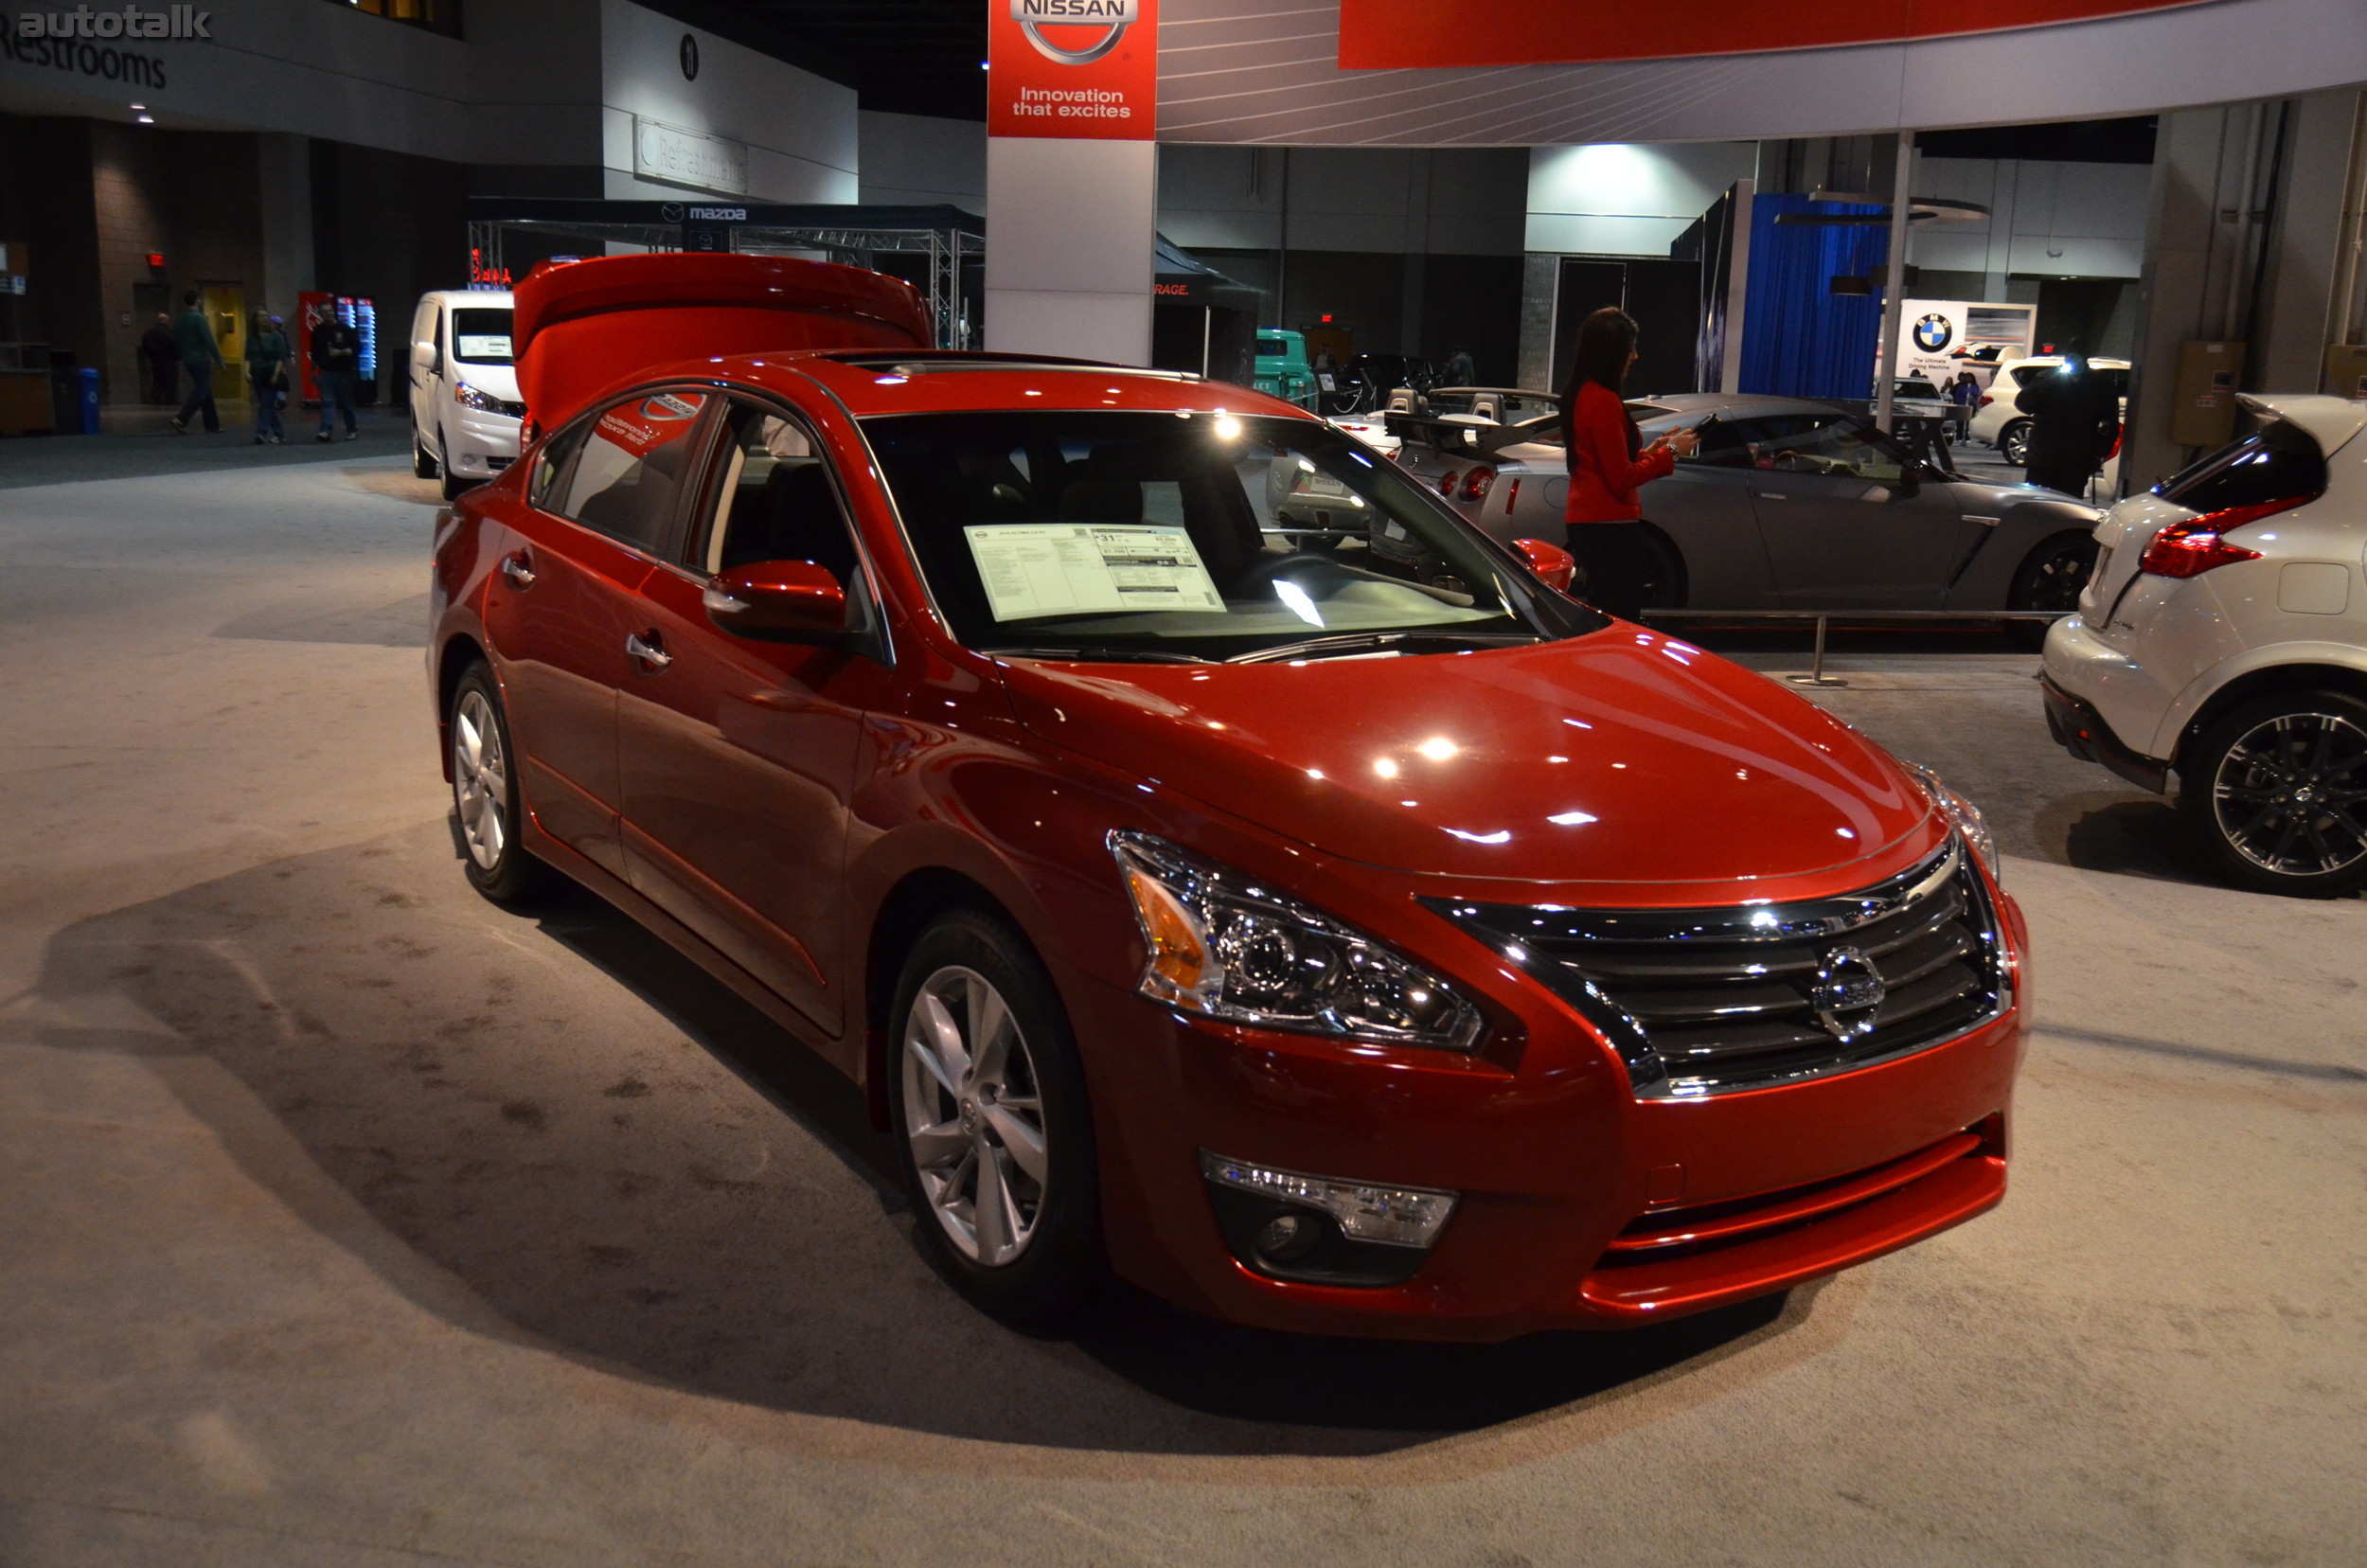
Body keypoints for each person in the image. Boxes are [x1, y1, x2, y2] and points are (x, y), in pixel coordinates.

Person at [1558, 307, 1698, 619]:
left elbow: (1610, 463)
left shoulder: (1582, 393)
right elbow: (1621, 477)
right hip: (1609, 525)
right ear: (1613, 352)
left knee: (1604, 611)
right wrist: (1671, 454)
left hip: (1592, 522)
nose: (1635, 356)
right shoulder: (1603, 400)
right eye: (1630, 348)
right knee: (1621, 615)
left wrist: (1657, 451)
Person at [2023, 352, 2118, 497]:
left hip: (2076, 461)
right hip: (2043, 458)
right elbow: (2024, 404)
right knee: (2036, 503)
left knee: (2067, 506)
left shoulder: (2099, 384)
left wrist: (2098, 455)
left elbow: (2111, 424)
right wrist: (2049, 382)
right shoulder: (2048, 378)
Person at [169, 290, 222, 435]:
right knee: (202, 389)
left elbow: (176, 340)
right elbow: (208, 340)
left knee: (205, 390)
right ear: (198, 300)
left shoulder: (180, 319)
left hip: (188, 359)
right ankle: (182, 418)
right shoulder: (199, 318)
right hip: (200, 358)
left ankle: (212, 425)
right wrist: (219, 360)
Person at [311, 304, 361, 442]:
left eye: (330, 311)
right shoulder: (318, 331)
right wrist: (312, 371)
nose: (328, 313)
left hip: (344, 372)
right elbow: (315, 353)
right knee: (327, 402)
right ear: (320, 315)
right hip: (325, 371)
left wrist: (341, 352)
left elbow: (357, 348)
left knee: (347, 403)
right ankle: (325, 431)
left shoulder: (345, 329)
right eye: (325, 312)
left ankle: (352, 430)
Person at [246, 311, 292, 445]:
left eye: (266, 316)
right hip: (257, 373)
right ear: (255, 320)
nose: (264, 319)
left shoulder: (276, 336)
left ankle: (261, 432)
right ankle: (280, 434)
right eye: (261, 316)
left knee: (265, 405)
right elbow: (248, 356)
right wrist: (246, 372)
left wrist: (276, 374)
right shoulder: (252, 338)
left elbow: (280, 357)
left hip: (271, 372)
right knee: (267, 405)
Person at [139, 312, 178, 405]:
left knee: (157, 379)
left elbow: (145, 345)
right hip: (168, 359)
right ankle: (170, 399)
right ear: (166, 320)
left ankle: (157, 395)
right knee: (170, 380)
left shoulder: (150, 332)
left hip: (154, 360)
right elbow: (174, 345)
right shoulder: (168, 332)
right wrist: (176, 356)